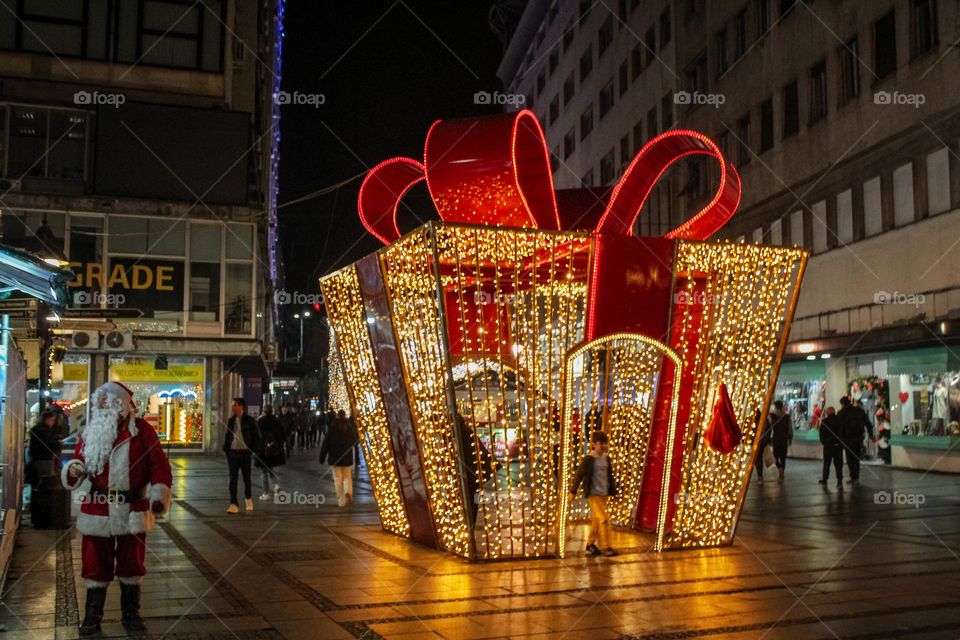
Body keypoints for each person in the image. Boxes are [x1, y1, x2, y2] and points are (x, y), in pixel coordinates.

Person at [61, 382, 172, 636]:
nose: (99, 407)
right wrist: (74, 469)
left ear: (120, 406)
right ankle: (92, 616)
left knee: (131, 563)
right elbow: (78, 459)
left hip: (131, 508)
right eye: (97, 403)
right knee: (94, 563)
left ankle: (131, 614)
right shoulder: (91, 432)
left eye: (104, 403)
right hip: (96, 508)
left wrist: (158, 494)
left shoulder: (142, 432)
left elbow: (160, 467)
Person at [568, 431, 618, 557]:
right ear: (594, 444)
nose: (604, 446)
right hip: (593, 494)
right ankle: (606, 547)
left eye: (605, 443)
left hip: (603, 494)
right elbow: (579, 475)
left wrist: (613, 489)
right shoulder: (589, 459)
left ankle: (590, 544)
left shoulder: (606, 458)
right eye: (601, 443)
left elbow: (609, 476)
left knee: (597, 520)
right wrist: (573, 491)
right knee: (604, 519)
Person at [455, 412, 496, 525]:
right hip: (475, 473)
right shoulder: (465, 431)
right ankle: (470, 523)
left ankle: (469, 524)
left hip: (472, 474)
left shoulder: (462, 433)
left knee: (469, 500)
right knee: (472, 500)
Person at [223, 398, 260, 514]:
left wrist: (251, 451)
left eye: (235, 405)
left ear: (241, 407)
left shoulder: (250, 420)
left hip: (245, 454)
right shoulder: (231, 420)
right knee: (232, 480)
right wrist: (227, 449)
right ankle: (233, 504)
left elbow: (257, 437)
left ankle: (248, 499)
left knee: (246, 478)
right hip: (233, 453)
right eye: (232, 405)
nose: (232, 407)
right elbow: (228, 436)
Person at [319, 409, 360, 507]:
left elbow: (326, 444)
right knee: (347, 477)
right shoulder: (349, 428)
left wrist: (322, 457)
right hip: (347, 457)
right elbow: (355, 440)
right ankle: (348, 492)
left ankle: (341, 501)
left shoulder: (332, 428)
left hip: (335, 458)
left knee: (337, 479)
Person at [838, 395, 872, 484]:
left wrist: (840, 440)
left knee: (850, 458)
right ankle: (856, 477)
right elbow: (867, 423)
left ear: (842, 404)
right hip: (859, 438)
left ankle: (853, 477)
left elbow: (840, 428)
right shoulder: (859, 411)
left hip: (848, 439)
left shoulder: (842, 413)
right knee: (856, 458)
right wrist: (870, 433)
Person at [255, 405, 286, 500]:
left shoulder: (260, 421)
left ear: (263, 412)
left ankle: (266, 493)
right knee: (270, 468)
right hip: (273, 450)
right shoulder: (277, 421)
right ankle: (275, 485)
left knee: (264, 471)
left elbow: (255, 436)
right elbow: (283, 436)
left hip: (262, 450)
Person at [29, 410, 62, 485]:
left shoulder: (36, 429)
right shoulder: (44, 430)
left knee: (39, 479)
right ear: (47, 420)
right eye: (52, 420)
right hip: (45, 459)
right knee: (47, 480)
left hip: (36, 459)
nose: (53, 422)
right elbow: (48, 444)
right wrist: (58, 444)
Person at [818, 406, 844, 488]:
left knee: (826, 463)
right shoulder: (840, 421)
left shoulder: (825, 422)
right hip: (838, 446)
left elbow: (821, 434)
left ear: (827, 413)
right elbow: (843, 433)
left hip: (828, 446)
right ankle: (839, 481)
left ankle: (825, 480)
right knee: (838, 464)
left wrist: (824, 442)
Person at [770, 400, 793, 483]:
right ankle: (781, 472)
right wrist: (790, 439)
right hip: (784, 440)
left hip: (776, 439)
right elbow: (790, 429)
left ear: (776, 407)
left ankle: (780, 470)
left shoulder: (772, 416)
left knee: (775, 457)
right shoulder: (787, 417)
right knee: (783, 458)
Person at [753, 408, 771, 482]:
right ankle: (760, 475)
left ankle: (760, 475)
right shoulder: (763, 419)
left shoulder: (756, 420)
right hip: (761, 442)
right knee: (758, 458)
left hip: (758, 442)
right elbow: (769, 429)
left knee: (758, 459)